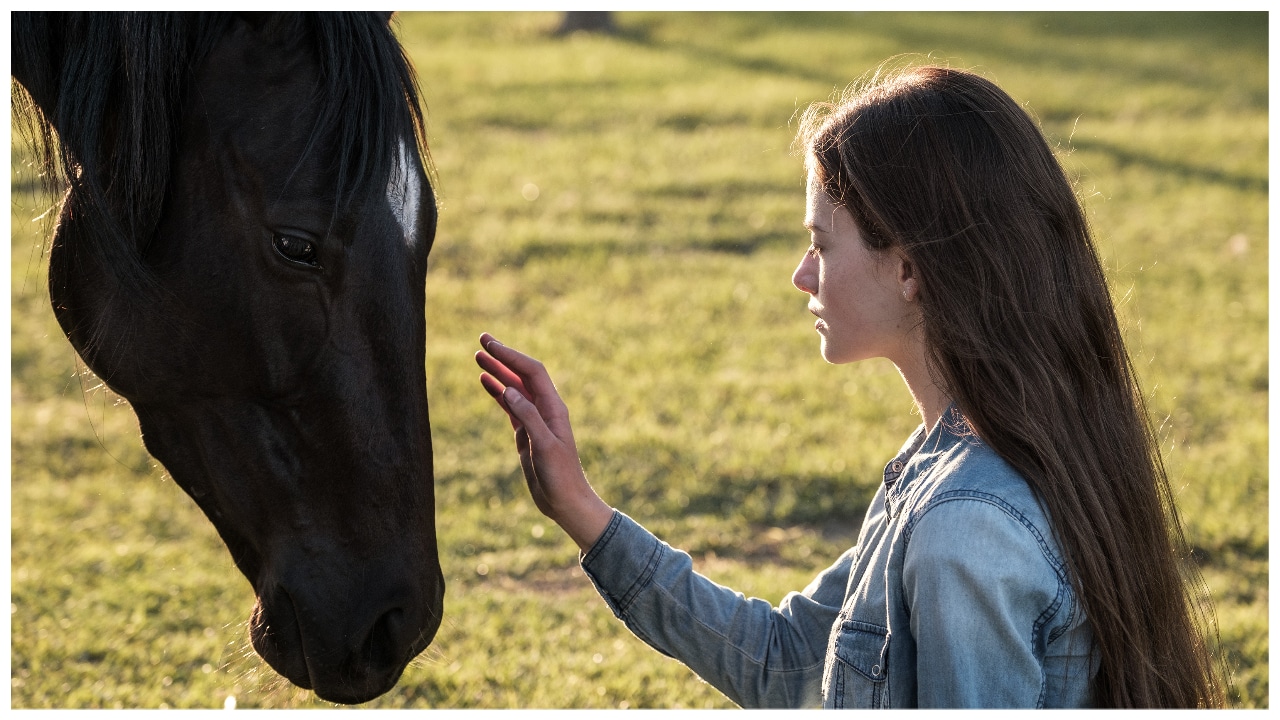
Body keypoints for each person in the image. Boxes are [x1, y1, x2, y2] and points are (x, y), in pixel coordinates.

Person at [474, 64, 1224, 708]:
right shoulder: (950, 461)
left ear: (908, 270)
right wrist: (582, 510)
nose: (801, 274)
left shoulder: (966, 526)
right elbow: (790, 665)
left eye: (819, 244)